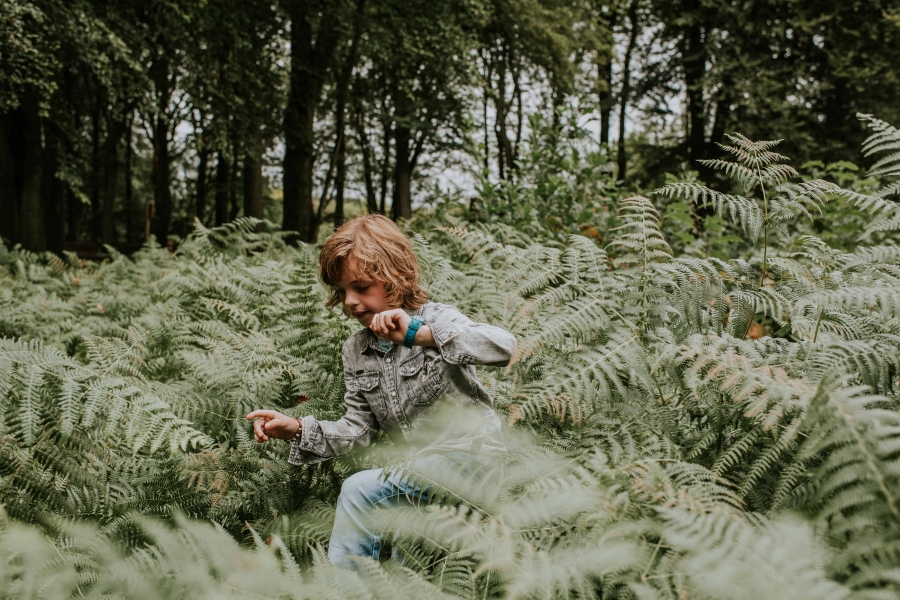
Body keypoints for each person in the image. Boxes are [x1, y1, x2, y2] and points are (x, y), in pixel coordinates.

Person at [246, 215, 517, 569]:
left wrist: (418, 334)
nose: (350, 301)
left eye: (361, 286)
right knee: (408, 560)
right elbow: (358, 429)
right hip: (412, 477)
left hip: (471, 462)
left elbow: (505, 347)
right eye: (342, 291)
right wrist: (297, 428)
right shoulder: (356, 350)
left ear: (396, 277)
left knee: (360, 490)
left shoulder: (435, 318)